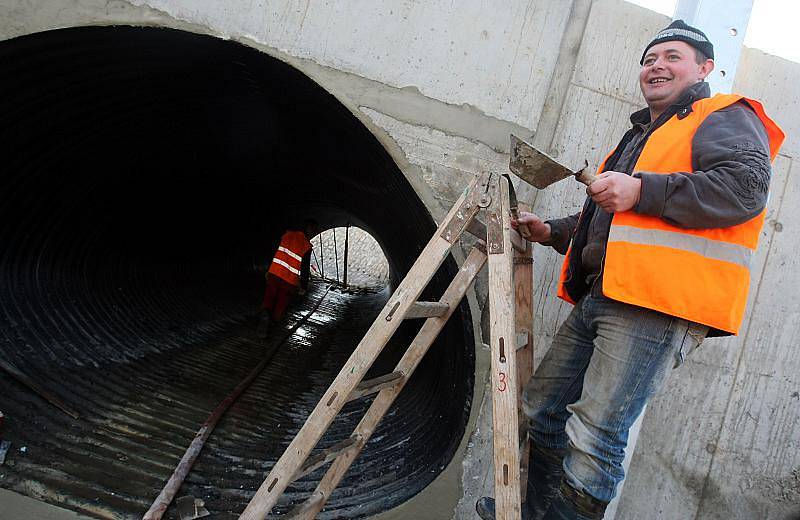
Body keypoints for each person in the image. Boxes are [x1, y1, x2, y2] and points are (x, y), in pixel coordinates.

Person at [477, 20, 785, 520]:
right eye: (649, 59)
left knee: (596, 434)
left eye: (672, 57)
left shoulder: (723, 116)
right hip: (605, 294)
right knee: (542, 408)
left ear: (704, 68)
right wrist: (552, 231)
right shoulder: (641, 135)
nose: (657, 66)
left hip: (656, 305)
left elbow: (745, 191)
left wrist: (642, 190)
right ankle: (532, 513)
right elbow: (609, 220)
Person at [257, 219, 319, 338]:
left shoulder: (287, 234)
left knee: (268, 298)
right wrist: (303, 286)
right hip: (289, 281)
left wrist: (268, 269)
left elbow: (274, 251)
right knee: (281, 304)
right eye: (314, 231)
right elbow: (304, 268)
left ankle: (264, 316)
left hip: (274, 274)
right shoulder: (306, 246)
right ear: (310, 230)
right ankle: (272, 326)